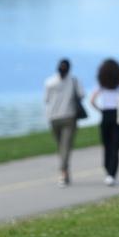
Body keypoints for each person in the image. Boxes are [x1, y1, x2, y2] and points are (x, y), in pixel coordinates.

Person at [89, 57, 119, 186]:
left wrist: (100, 110)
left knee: (107, 145)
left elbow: (92, 101)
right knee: (116, 145)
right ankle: (112, 173)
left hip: (106, 115)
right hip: (118, 115)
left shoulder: (101, 85)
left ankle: (107, 169)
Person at [42, 58, 84, 186]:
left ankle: (63, 173)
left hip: (54, 118)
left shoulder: (49, 82)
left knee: (62, 146)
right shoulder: (73, 81)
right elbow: (81, 95)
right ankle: (64, 172)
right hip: (68, 117)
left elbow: (46, 100)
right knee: (64, 147)